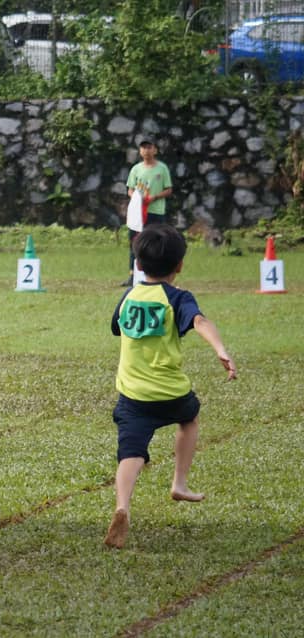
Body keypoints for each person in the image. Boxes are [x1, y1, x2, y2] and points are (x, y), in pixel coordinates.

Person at [104, 224, 236, 549]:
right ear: (180, 265)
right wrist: (220, 349)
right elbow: (199, 322)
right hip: (171, 392)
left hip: (133, 394)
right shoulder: (178, 298)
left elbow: (116, 328)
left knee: (131, 451)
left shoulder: (129, 296)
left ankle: (122, 506)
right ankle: (179, 483)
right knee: (189, 418)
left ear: (138, 264)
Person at [122, 139, 172, 286]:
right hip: (138, 213)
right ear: (140, 151)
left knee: (156, 242)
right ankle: (133, 275)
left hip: (156, 212)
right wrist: (137, 199)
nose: (146, 151)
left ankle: (158, 274)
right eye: (143, 148)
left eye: (149, 147)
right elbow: (130, 189)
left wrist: (154, 197)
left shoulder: (162, 169)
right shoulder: (136, 169)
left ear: (155, 150)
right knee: (135, 242)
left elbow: (168, 189)